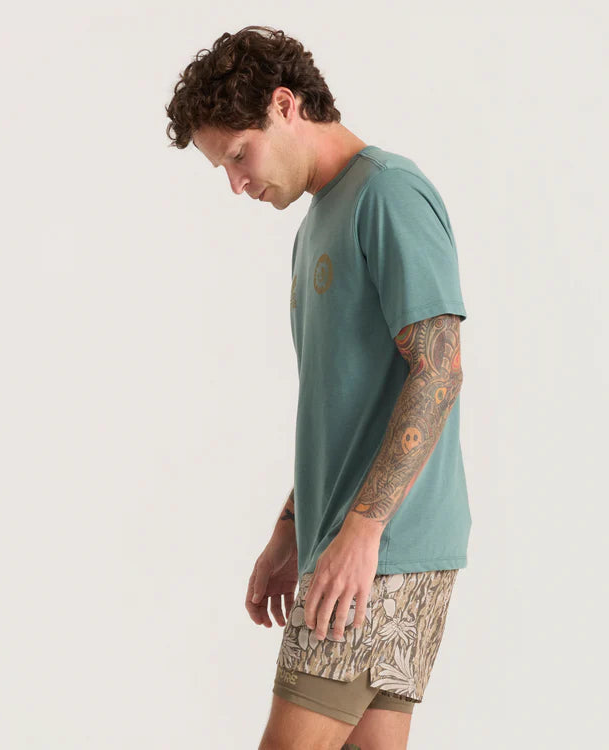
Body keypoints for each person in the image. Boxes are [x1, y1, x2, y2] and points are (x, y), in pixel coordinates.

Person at [166, 25, 471, 750]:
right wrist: (290, 529)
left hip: (380, 550)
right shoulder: (317, 224)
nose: (237, 184)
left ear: (285, 105)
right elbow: (347, 409)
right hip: (360, 546)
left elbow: (440, 369)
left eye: (239, 155)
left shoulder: (388, 193)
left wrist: (360, 533)